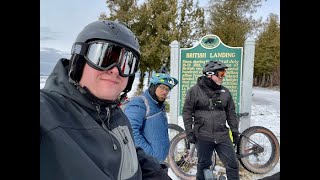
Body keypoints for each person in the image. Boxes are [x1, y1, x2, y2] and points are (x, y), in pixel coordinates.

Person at [40, 20, 171, 180]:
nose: (115, 70)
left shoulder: (116, 115)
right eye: (103, 57)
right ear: (79, 61)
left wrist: (157, 172)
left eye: (126, 63)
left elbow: (129, 152)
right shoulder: (48, 113)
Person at [182, 60, 240, 180]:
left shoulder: (225, 92)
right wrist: (189, 131)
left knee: (233, 164)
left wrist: (234, 130)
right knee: (204, 165)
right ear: (209, 74)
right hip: (203, 135)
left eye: (224, 73)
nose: (223, 77)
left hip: (222, 135)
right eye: (220, 74)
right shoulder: (194, 91)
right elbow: (187, 112)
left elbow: (231, 113)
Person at [124, 70, 178, 163]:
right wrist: (149, 154)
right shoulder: (140, 103)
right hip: (146, 162)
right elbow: (130, 132)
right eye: (162, 87)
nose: (165, 92)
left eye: (167, 89)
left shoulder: (159, 105)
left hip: (157, 162)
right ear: (153, 86)